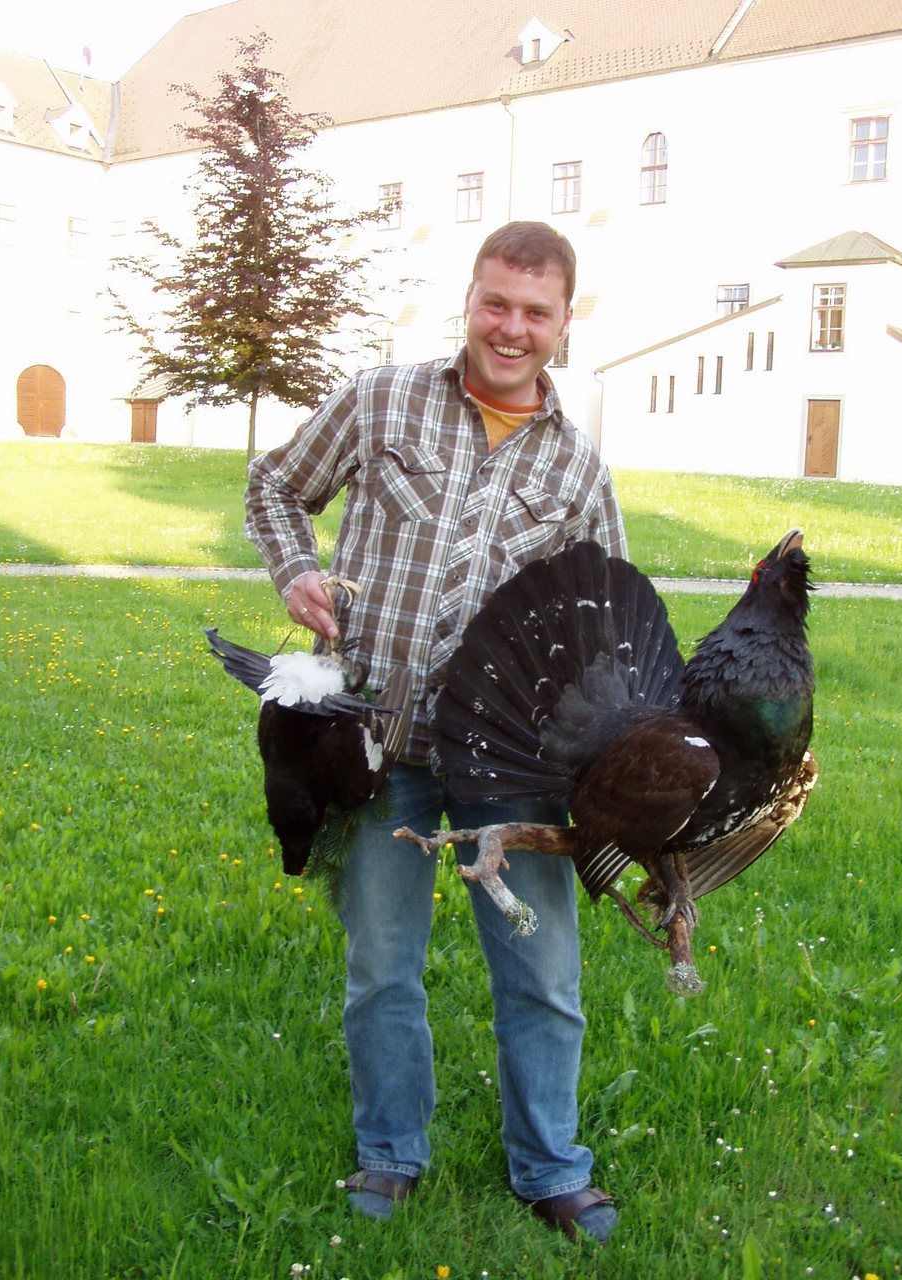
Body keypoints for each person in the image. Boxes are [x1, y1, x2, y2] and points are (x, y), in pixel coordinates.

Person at [244, 221, 628, 1244]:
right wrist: (294, 569)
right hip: (380, 744)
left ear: (562, 323)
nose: (512, 327)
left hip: (515, 766)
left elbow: (607, 626)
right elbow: (276, 485)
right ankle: (390, 1151)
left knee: (542, 971)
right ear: (471, 296)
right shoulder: (383, 400)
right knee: (381, 962)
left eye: (535, 311)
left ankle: (550, 1164)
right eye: (496, 301)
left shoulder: (581, 473)